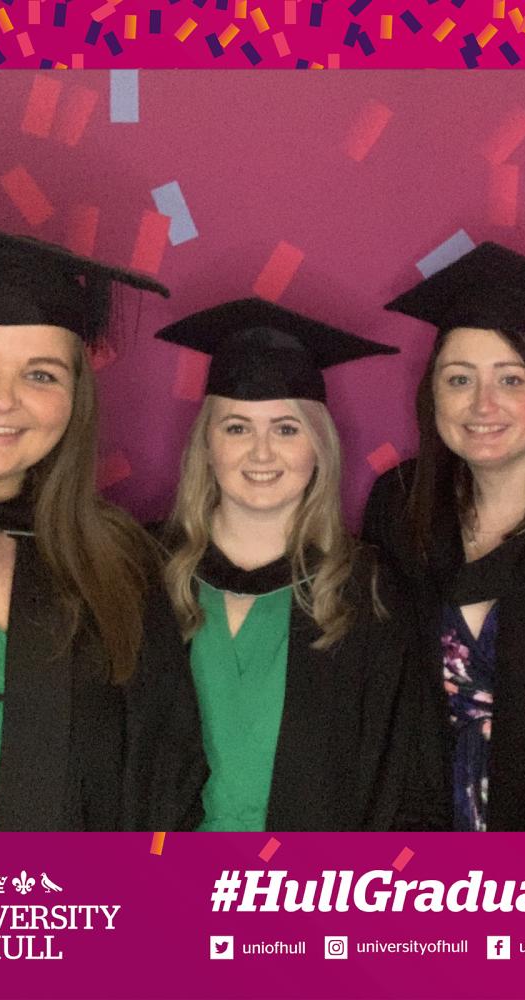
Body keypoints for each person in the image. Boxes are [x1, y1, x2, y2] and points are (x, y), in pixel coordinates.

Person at [0, 220, 208, 832]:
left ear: (75, 397)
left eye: (41, 374)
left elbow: (167, 780)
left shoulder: (120, 563)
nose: (2, 399)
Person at [361, 242, 525, 831]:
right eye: (459, 379)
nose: (483, 404)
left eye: (511, 378)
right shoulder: (399, 506)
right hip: (417, 831)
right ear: (433, 392)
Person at [154, 297, 414, 831]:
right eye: (236, 428)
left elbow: (395, 781)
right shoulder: (144, 570)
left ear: (319, 445)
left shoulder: (366, 590)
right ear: (206, 442)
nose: (261, 452)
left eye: (287, 429)